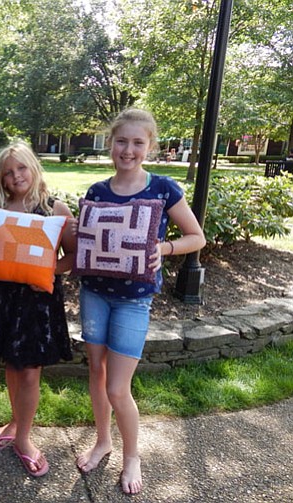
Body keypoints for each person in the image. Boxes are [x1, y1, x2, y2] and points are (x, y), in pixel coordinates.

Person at [75, 109, 205, 495]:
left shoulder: (163, 188)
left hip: (134, 301)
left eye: (137, 142)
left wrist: (164, 248)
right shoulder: (98, 191)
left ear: (150, 146)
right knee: (95, 373)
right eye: (121, 141)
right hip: (94, 294)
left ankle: (132, 455)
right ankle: (103, 441)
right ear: (111, 143)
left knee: (118, 388)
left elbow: (196, 236)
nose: (127, 150)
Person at [0, 141, 75, 477]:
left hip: (37, 302)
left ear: (34, 168)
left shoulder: (56, 210)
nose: (16, 176)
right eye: (8, 172)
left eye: (21, 168)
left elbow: (73, 259)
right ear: (0, 178)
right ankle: (16, 422)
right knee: (12, 366)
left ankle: (25, 439)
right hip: (3, 300)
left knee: (30, 371)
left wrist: (50, 271)